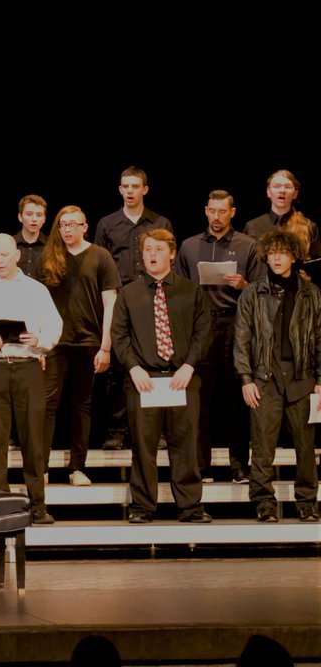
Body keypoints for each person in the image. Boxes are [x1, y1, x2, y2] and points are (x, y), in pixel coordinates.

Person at [112, 229, 212, 524]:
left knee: (185, 444)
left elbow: (203, 331)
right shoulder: (129, 292)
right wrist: (133, 367)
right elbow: (119, 335)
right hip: (145, 380)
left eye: (158, 249)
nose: (152, 254)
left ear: (171, 252)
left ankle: (190, 507)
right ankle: (143, 507)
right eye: (147, 250)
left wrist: (189, 365)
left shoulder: (190, 290)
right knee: (143, 447)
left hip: (181, 377)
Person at [0, 235, 62, 524]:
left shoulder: (36, 290)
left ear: (17, 255)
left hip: (27, 366)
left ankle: (37, 504)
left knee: (33, 436)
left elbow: (55, 325)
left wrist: (38, 340)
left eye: (4, 255)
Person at [233, 230, 320, 523]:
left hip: (302, 378)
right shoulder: (252, 293)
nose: (277, 258)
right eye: (272, 253)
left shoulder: (311, 293)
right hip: (265, 378)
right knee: (262, 446)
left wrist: (320, 381)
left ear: (293, 256)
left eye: (282, 253)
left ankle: (307, 502)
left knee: (305, 448)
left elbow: (320, 338)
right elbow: (242, 339)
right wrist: (246, 379)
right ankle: (264, 503)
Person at [174, 190, 261, 483]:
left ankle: (239, 465)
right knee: (200, 399)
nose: (217, 217)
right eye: (212, 211)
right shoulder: (189, 246)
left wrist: (244, 284)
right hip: (201, 327)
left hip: (236, 324)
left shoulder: (248, 245)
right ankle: (202, 466)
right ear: (205, 211)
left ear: (232, 212)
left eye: (222, 211)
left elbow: (263, 292)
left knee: (238, 399)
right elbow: (176, 288)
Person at [94, 166, 175, 451]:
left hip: (153, 298)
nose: (129, 191)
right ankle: (117, 430)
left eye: (134, 186)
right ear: (120, 189)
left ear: (145, 189)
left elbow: (169, 261)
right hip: (119, 299)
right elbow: (100, 265)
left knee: (156, 362)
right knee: (118, 365)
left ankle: (159, 429)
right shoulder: (107, 224)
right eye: (125, 186)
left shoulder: (160, 221)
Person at [40, 205, 119, 487]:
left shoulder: (100, 256)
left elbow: (110, 302)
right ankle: (42, 469)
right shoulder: (49, 258)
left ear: (85, 227)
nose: (68, 229)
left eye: (74, 224)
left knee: (81, 406)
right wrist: (39, 346)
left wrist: (106, 346)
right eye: (63, 225)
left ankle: (77, 467)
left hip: (88, 341)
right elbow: (38, 303)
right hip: (54, 342)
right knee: (48, 404)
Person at [244, 169, 321, 260]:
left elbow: (316, 263)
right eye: (277, 186)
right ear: (268, 192)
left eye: (287, 187)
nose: (282, 191)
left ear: (295, 193)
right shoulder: (253, 226)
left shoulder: (309, 226)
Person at [15, 194, 48, 279]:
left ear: (44, 219)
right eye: (29, 214)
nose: (34, 219)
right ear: (20, 217)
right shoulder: (9, 244)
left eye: (39, 215)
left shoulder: (52, 245)